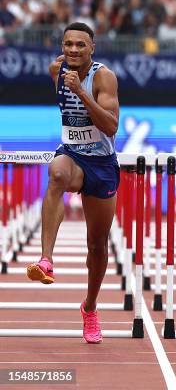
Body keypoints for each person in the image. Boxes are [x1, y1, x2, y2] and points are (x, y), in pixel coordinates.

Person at [26, 22, 120, 344]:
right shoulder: (57, 70)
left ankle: (90, 307)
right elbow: (60, 70)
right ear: (62, 47)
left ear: (92, 48)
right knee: (56, 174)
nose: (74, 49)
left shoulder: (104, 77)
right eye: (69, 44)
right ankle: (46, 260)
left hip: (102, 165)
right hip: (72, 156)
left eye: (81, 44)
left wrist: (81, 91)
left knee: (97, 246)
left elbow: (110, 127)